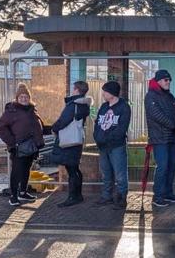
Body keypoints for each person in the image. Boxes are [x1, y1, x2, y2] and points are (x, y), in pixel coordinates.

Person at [0, 83, 45, 207]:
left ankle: (23, 192)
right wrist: (13, 142)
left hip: (31, 147)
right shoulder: (11, 111)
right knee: (17, 171)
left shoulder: (32, 110)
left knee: (26, 170)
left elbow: (37, 126)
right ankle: (13, 196)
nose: (24, 99)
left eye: (26, 97)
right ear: (17, 98)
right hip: (18, 148)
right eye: (21, 97)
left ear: (29, 98)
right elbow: (0, 128)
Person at [145, 70, 175, 208]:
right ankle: (158, 195)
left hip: (172, 137)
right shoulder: (151, 96)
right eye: (165, 80)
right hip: (160, 138)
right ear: (159, 81)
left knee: (172, 166)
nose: (168, 82)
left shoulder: (169, 97)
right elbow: (156, 115)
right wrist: (173, 125)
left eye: (169, 80)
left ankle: (168, 192)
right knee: (162, 166)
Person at [51, 81, 93, 208]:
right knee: (75, 169)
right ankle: (77, 195)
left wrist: (54, 128)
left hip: (68, 141)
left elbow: (63, 120)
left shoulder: (73, 104)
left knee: (71, 170)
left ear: (76, 90)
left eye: (73, 88)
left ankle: (72, 197)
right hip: (77, 139)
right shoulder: (84, 104)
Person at [94, 81, 132, 210]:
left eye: (105, 91)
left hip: (116, 146)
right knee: (106, 173)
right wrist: (97, 137)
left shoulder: (124, 107)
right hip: (103, 146)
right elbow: (97, 123)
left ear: (111, 93)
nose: (103, 93)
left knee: (120, 174)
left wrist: (106, 138)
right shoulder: (104, 107)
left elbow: (122, 128)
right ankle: (107, 196)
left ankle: (121, 198)